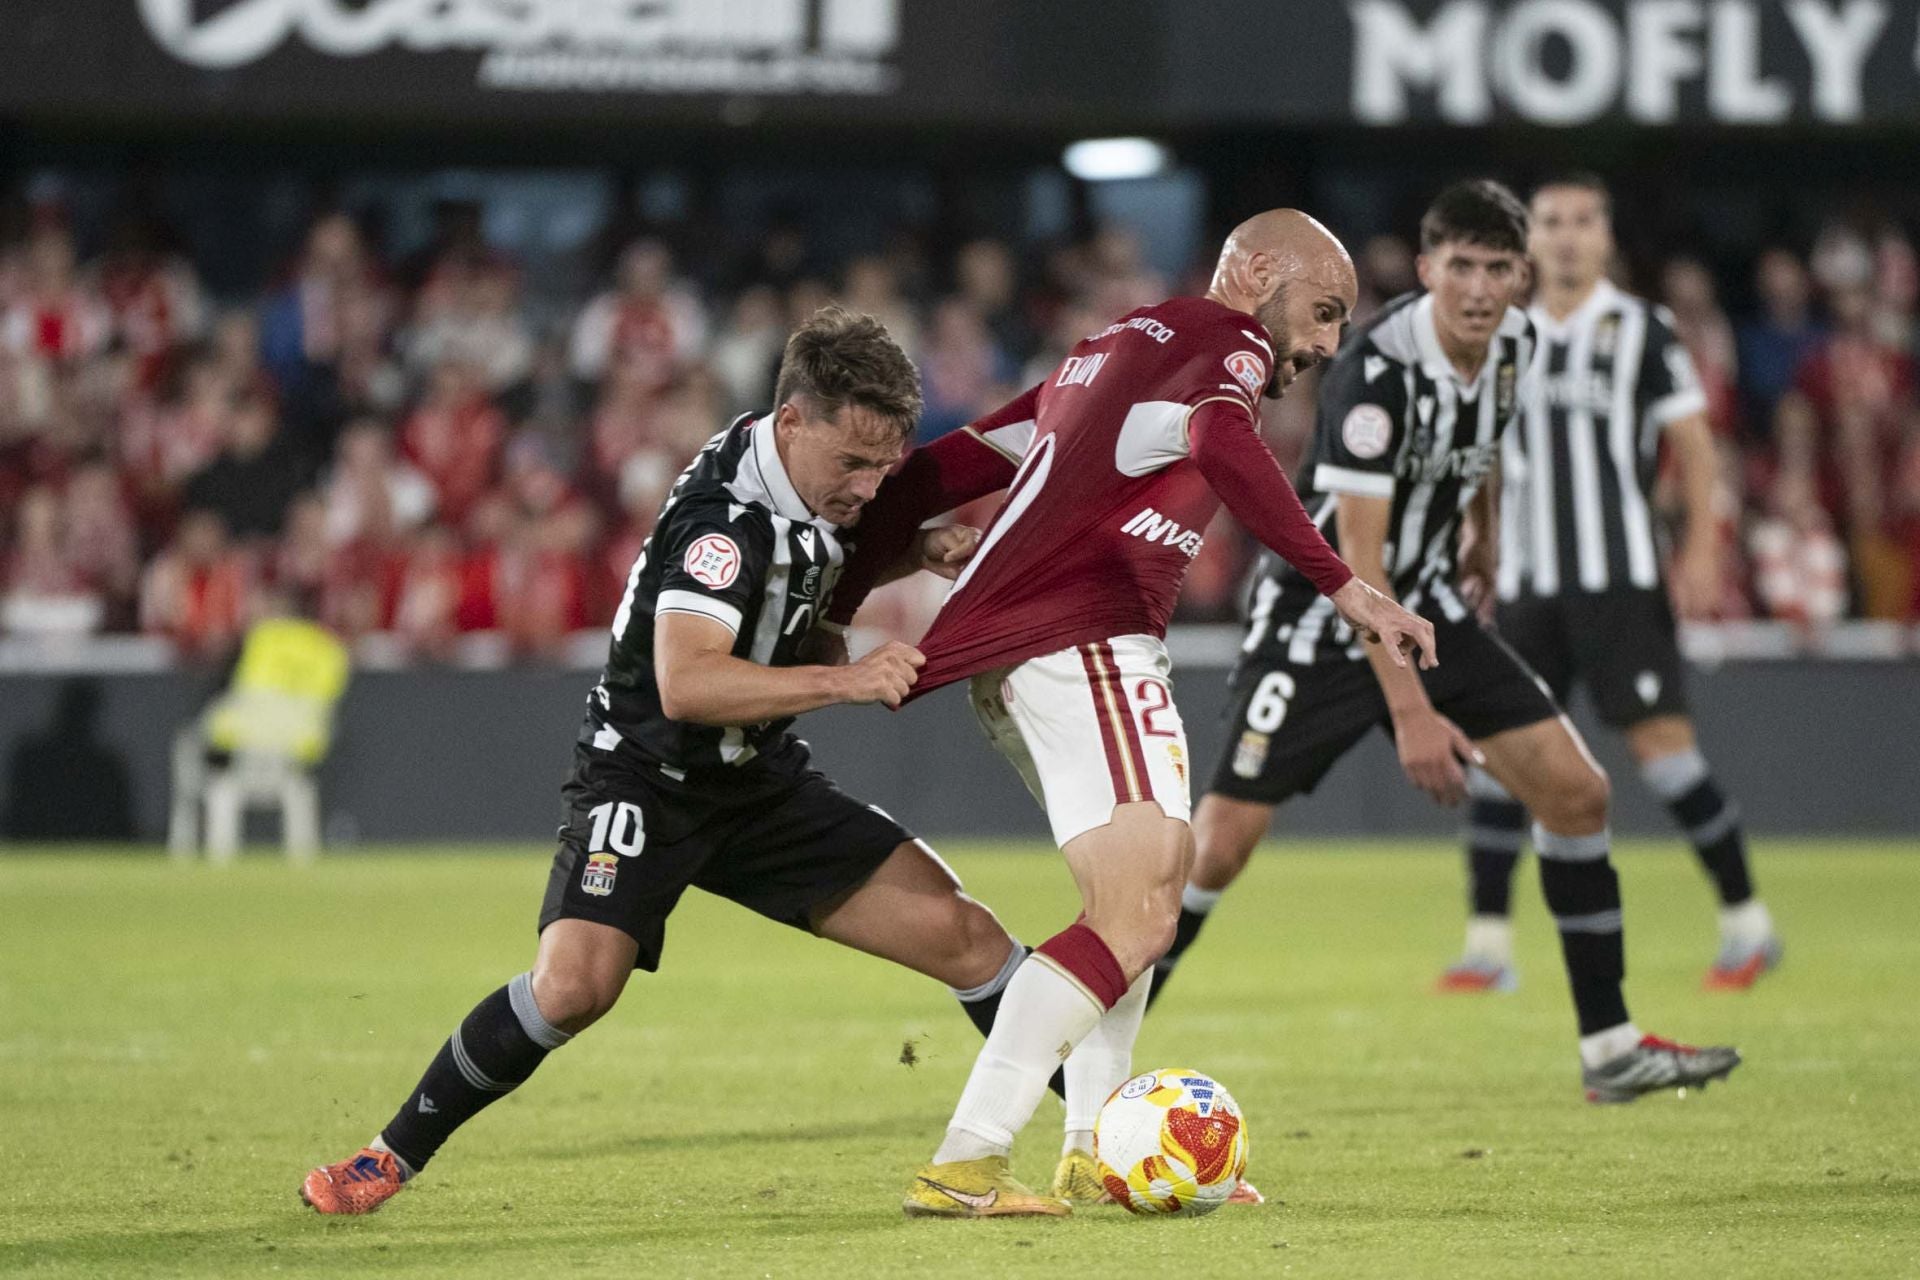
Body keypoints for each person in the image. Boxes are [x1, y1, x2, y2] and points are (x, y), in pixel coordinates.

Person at [300, 307, 1033, 1215]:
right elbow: (687, 682)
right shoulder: (720, 526)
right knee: (573, 988)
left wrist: (913, 551)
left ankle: (1108, 1146)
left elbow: (820, 562)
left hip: (758, 782)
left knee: (972, 940)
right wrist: (844, 681)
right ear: (793, 420)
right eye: (854, 463)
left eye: (887, 464)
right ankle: (385, 1158)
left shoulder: (800, 473)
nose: (871, 485)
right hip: (646, 778)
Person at [825, 209, 1434, 1217]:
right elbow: (1223, 442)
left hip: (1036, 657)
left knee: (1142, 896)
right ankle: (968, 1157)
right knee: (1142, 906)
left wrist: (839, 587)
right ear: (1258, 274)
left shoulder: (1107, 355)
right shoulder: (1220, 344)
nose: (1325, 345)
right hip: (1084, 640)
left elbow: (955, 461)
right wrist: (1347, 585)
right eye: (1323, 312)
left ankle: (1091, 1143)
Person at [1146, 181, 1741, 1108]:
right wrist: (1415, 715)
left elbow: (1483, 436)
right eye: (1459, 265)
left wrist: (1483, 528)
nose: (1477, 286)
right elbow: (1362, 556)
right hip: (1325, 615)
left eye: (1498, 267)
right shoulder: (1377, 369)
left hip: (1422, 602)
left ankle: (1612, 1047)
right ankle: (1097, 1043)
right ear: (1426, 271)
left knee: (1577, 794)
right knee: (1218, 846)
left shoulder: (1516, 342)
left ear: (1520, 277)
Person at [1434, 174, 1780, 994]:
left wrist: (1701, 550)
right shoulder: (1499, 333)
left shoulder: (1641, 329)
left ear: (1605, 237)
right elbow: (1472, 451)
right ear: (1529, 239)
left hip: (1618, 580)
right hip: (1523, 585)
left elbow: (1696, 450)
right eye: (1550, 221)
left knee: (1664, 755)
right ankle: (1488, 947)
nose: (1565, 235)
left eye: (1582, 221)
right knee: (1498, 760)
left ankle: (1748, 924)